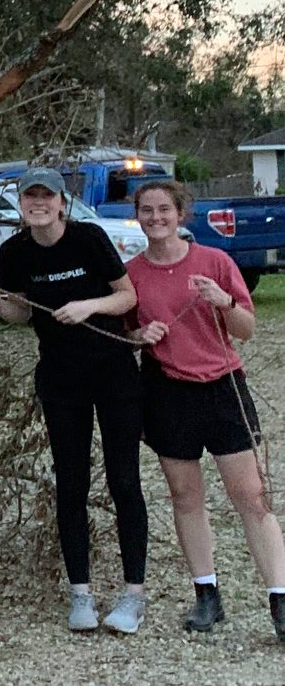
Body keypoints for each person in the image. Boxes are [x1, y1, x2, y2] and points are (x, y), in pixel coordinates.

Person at [0, 167, 148, 634]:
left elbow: (126, 297)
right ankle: (81, 594)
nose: (38, 204)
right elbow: (22, 312)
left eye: (46, 197)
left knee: (123, 479)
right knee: (70, 482)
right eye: (30, 198)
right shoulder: (15, 251)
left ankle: (133, 594)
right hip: (60, 377)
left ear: (60, 203)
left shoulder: (89, 238)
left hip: (112, 371)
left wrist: (88, 306)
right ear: (21, 205)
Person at [126, 180, 285, 641]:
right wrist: (141, 336)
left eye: (164, 210)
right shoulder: (132, 272)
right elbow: (126, 332)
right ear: (138, 216)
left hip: (222, 388)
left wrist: (224, 301)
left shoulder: (215, 262)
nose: (156, 218)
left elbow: (247, 328)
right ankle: (206, 594)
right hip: (166, 391)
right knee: (185, 497)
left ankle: (278, 599)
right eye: (147, 210)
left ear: (181, 215)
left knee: (252, 498)